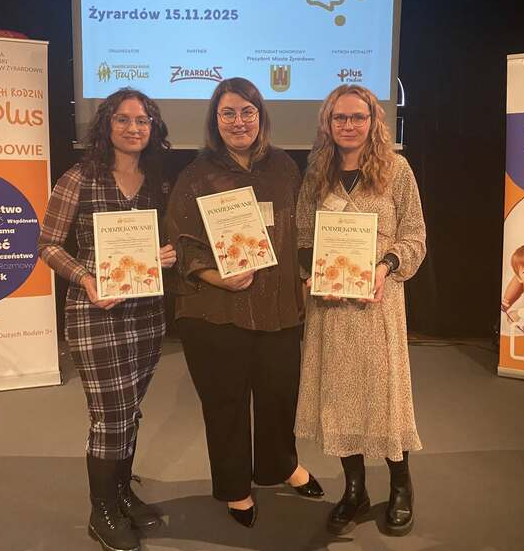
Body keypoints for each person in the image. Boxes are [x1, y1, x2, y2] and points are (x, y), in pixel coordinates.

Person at [165, 77, 322, 528]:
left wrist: (309, 273)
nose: (239, 121)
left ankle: (280, 465)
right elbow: (180, 241)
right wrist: (217, 276)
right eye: (228, 113)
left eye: (247, 112)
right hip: (216, 309)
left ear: (261, 116)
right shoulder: (196, 175)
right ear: (215, 120)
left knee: (279, 395)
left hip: (278, 306)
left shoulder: (285, 167)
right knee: (226, 402)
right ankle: (236, 487)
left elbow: (302, 228)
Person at [38, 88, 176, 551]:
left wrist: (168, 254)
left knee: (129, 410)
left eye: (143, 120)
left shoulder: (158, 182)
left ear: (153, 128)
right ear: (106, 125)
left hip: (147, 312)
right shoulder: (79, 177)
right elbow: (48, 245)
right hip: (95, 312)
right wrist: (86, 278)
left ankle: (121, 494)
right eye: (123, 119)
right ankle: (102, 511)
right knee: (111, 416)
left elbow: (168, 241)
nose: (134, 128)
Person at [294, 84, 426, 537]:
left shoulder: (396, 170)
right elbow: (303, 235)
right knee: (339, 396)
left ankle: (401, 485)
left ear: (373, 122)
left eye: (358, 117)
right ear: (327, 123)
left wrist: (385, 267)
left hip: (377, 303)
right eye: (340, 118)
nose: (348, 125)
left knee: (384, 394)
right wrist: (312, 273)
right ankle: (355, 489)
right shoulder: (317, 173)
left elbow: (414, 236)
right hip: (330, 307)